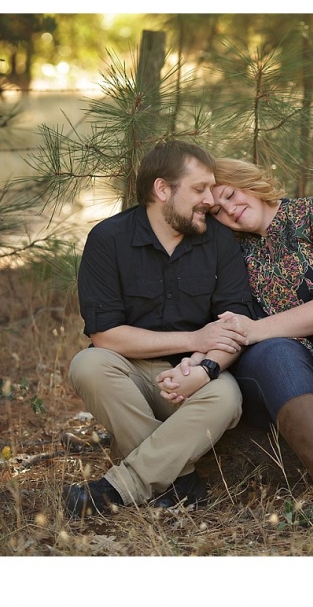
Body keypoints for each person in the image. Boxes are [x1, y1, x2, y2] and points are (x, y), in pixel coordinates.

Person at [158, 158, 313, 534]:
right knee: (277, 353)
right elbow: (223, 321)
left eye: (229, 194)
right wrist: (195, 363)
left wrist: (258, 328)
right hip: (278, 376)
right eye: (217, 211)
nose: (229, 210)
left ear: (249, 182)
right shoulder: (230, 250)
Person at [63, 141, 259, 517]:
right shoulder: (109, 240)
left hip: (195, 377)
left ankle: (118, 488)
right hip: (132, 376)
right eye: (199, 189)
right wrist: (193, 337)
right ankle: (180, 479)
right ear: (162, 190)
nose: (211, 200)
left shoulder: (218, 239)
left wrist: (204, 370)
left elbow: (235, 326)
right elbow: (105, 336)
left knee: (226, 397)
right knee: (88, 365)